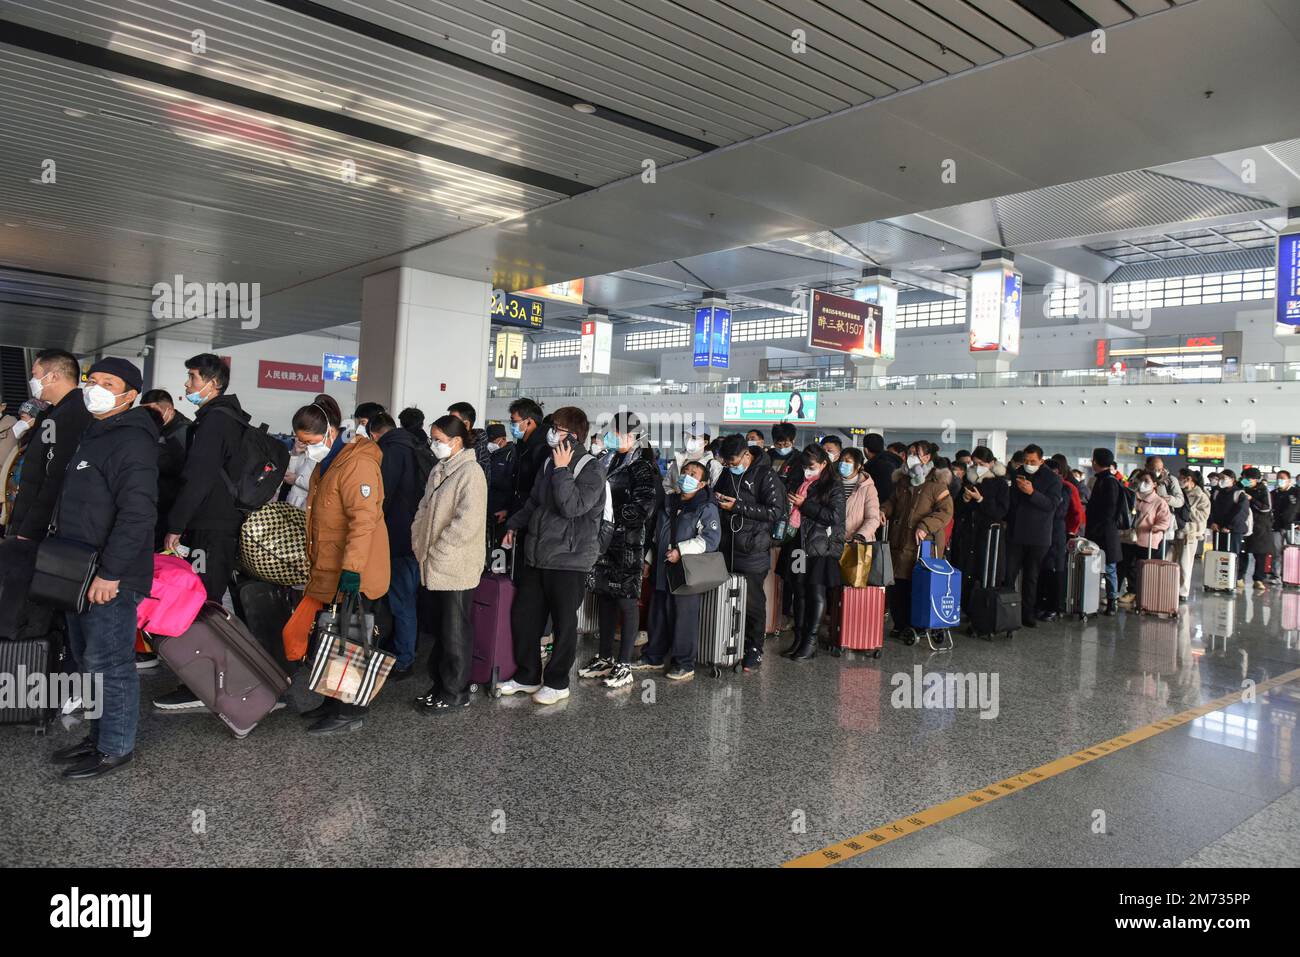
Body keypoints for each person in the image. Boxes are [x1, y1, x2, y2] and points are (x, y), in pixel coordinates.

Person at [48, 358, 158, 780]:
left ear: (129, 395)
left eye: (107, 383)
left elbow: (137, 515)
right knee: (88, 660)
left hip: (110, 575)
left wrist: (110, 574)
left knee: (110, 663)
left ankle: (116, 747)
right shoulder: (97, 432)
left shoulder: (132, 441)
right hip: (79, 570)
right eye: (92, 381)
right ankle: (99, 736)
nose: (95, 388)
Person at [152, 354, 252, 712]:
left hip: (211, 523)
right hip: (218, 521)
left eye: (192, 378)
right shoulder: (225, 419)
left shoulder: (215, 422)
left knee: (204, 603)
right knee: (208, 600)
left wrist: (175, 526)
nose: (187, 385)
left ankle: (203, 684)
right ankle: (205, 677)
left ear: (214, 383)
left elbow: (199, 478)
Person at [286, 401, 390, 734]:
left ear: (331, 432)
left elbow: (364, 521)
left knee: (352, 637)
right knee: (333, 634)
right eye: (301, 442)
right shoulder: (329, 460)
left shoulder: (357, 463)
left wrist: (352, 570)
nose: (306, 448)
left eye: (311, 442)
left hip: (353, 568)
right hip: (330, 564)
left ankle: (350, 710)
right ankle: (333, 701)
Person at [499, 407, 606, 703]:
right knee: (525, 616)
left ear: (572, 435)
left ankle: (557, 682)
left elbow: (572, 507)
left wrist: (561, 470)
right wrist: (514, 525)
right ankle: (527, 676)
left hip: (570, 559)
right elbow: (536, 501)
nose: (551, 433)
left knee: (563, 622)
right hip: (538, 553)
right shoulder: (548, 461)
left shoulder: (590, 467)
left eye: (557, 428)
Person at [1, 350, 93, 640]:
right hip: (28, 522)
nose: (33, 380)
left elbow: (54, 479)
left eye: (36, 373)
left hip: (38, 529)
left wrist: (30, 527)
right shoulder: (54, 412)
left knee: (26, 605)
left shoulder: (72, 414)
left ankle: (27, 657)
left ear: (52, 375)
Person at [410, 414, 487, 712]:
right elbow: (423, 508)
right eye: (433, 439)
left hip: (455, 566)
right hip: (432, 563)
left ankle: (456, 691)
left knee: (456, 631)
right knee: (441, 631)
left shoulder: (471, 473)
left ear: (456, 442)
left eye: (438, 440)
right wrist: (418, 540)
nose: (434, 445)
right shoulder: (439, 470)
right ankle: (440, 685)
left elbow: (466, 523)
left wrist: (439, 551)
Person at [580, 412, 660, 688]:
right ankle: (604, 657)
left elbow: (644, 508)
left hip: (627, 544)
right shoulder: (609, 458)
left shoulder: (642, 468)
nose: (612, 436)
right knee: (605, 596)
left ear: (632, 436)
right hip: (604, 542)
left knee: (626, 600)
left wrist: (612, 517)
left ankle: (624, 663)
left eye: (617, 432)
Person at [634, 461, 721, 681]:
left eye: (693, 474)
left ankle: (684, 663)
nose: (687, 476)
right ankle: (653, 656)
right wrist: (648, 560)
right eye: (685, 472)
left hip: (685, 569)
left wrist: (681, 551)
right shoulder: (669, 501)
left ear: (702, 484)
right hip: (662, 567)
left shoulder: (706, 506)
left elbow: (710, 540)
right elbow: (657, 535)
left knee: (683, 616)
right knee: (658, 613)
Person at [714, 433, 785, 671]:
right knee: (726, 599)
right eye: (726, 463)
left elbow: (775, 511)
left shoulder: (766, 475)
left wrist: (738, 506)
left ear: (746, 454)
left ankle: (754, 648)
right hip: (727, 546)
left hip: (753, 548)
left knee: (753, 602)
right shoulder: (726, 473)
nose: (729, 467)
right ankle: (727, 642)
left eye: (733, 462)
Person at [369, 412, 423, 680]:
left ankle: (403, 659)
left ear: (375, 433)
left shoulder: (390, 452)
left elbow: (382, 498)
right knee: (407, 599)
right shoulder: (415, 446)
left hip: (396, 538)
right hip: (414, 537)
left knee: (401, 602)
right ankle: (404, 650)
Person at [881, 441, 953, 640]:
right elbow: (892, 502)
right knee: (898, 585)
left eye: (916, 453)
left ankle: (918, 624)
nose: (911, 456)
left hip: (923, 544)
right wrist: (883, 510)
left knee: (919, 584)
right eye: (909, 453)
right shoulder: (903, 482)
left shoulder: (936, 484)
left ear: (927, 458)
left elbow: (945, 512)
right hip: (899, 540)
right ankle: (900, 624)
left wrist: (925, 525)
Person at [1004, 444, 1062, 629]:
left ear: (1041, 461)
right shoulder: (1016, 473)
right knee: (1008, 574)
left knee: (1031, 577)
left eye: (1033, 461)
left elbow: (1052, 505)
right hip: (1015, 533)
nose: (1029, 464)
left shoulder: (1052, 479)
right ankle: (1006, 611)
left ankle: (1027, 614)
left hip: (1038, 535)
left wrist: (1032, 493)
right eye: (1026, 461)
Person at [951, 446, 1010, 607]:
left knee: (985, 572)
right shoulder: (968, 480)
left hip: (990, 536)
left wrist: (981, 500)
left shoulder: (1000, 483)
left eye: (982, 463)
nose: (978, 467)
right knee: (966, 571)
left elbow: (1001, 511)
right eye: (975, 463)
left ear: (991, 463)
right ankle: (964, 607)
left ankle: (983, 608)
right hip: (969, 533)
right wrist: (964, 499)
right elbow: (956, 509)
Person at [139, 389, 191, 551]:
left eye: (154, 412)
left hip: (169, 509)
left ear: (169, 410)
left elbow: (183, 470)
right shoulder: (152, 429)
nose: (149, 417)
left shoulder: (184, 433)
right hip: (151, 506)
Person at [1117, 469, 1172, 607]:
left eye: (1147, 481)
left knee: (1141, 567)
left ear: (1154, 484)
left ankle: (1139, 593)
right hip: (1128, 538)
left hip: (1147, 540)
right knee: (1125, 565)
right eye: (1141, 481)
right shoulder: (1132, 497)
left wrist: (1156, 527)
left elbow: (1165, 521)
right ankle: (1124, 592)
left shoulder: (1159, 502)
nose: (1143, 484)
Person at [1037, 460, 1078, 622]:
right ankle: (1040, 604)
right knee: (1042, 570)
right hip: (1042, 533)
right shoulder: (1041, 487)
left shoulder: (1065, 488)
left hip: (1056, 534)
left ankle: (1055, 606)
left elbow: (1063, 512)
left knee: (1055, 570)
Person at [1, 398, 47, 528]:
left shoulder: (39, 442)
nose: (22, 422)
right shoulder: (22, 441)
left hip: (22, 505)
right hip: (12, 502)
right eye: (21, 417)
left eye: (25, 418)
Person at [1208, 468, 1251, 591]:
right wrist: (1212, 522)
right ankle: (1219, 581)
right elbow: (1210, 509)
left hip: (1234, 530)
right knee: (1219, 555)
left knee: (1232, 556)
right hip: (1218, 529)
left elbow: (1241, 513)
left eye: (1224, 478)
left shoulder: (1239, 494)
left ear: (1232, 480)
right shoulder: (1216, 493)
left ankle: (1232, 581)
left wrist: (1229, 526)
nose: (1221, 481)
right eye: (1220, 478)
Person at [1176, 468, 1211, 602]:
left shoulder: (1201, 496)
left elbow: (1203, 516)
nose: (1179, 480)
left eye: (1181, 477)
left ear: (1188, 479)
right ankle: (1172, 588)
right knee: (1173, 562)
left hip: (1190, 534)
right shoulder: (1180, 493)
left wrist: (1187, 511)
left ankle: (1183, 592)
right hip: (1177, 532)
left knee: (1185, 564)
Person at [1239, 467, 1274, 590]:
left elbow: (1266, 508)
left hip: (1260, 527)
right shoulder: (1241, 487)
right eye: (1244, 478)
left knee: (1260, 554)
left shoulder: (1263, 490)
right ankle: (1239, 577)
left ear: (1256, 480)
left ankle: (1258, 579)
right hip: (1244, 524)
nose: (1246, 481)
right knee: (1242, 552)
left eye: (1249, 479)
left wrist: (1251, 499)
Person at [665, 428, 722, 493]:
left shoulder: (713, 464)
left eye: (694, 438)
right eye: (687, 437)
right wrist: (673, 494)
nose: (689, 440)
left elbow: (717, 492)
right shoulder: (679, 460)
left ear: (705, 442)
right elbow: (666, 485)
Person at [448, 401, 492, 477]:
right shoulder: (453, 442)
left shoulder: (478, 448)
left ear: (466, 424)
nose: (449, 423)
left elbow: (481, 481)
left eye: (453, 420)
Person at [485, 422, 516, 531]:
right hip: (488, 504)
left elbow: (511, 484)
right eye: (489, 441)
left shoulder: (511, 454)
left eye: (493, 441)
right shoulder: (489, 454)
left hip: (502, 507)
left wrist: (508, 509)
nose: (490, 444)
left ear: (503, 439)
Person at [1273, 470, 1299, 583]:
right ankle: (1276, 575)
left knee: (1294, 552)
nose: (1280, 480)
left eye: (1283, 478)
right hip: (1276, 527)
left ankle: (1294, 576)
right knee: (1276, 552)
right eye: (1278, 478)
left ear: (1289, 480)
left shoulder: (1297, 492)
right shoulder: (1273, 493)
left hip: (1294, 527)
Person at [863, 433, 904, 501]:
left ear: (865, 450)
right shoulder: (896, 461)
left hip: (879, 507)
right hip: (895, 505)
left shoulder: (871, 467)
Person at [281, 436, 314, 509]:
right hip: (290, 499)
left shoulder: (319, 453)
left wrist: (296, 480)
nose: (298, 440)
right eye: (296, 436)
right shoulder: (302, 449)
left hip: (305, 505)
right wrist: (295, 453)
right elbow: (288, 475)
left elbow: (321, 486)